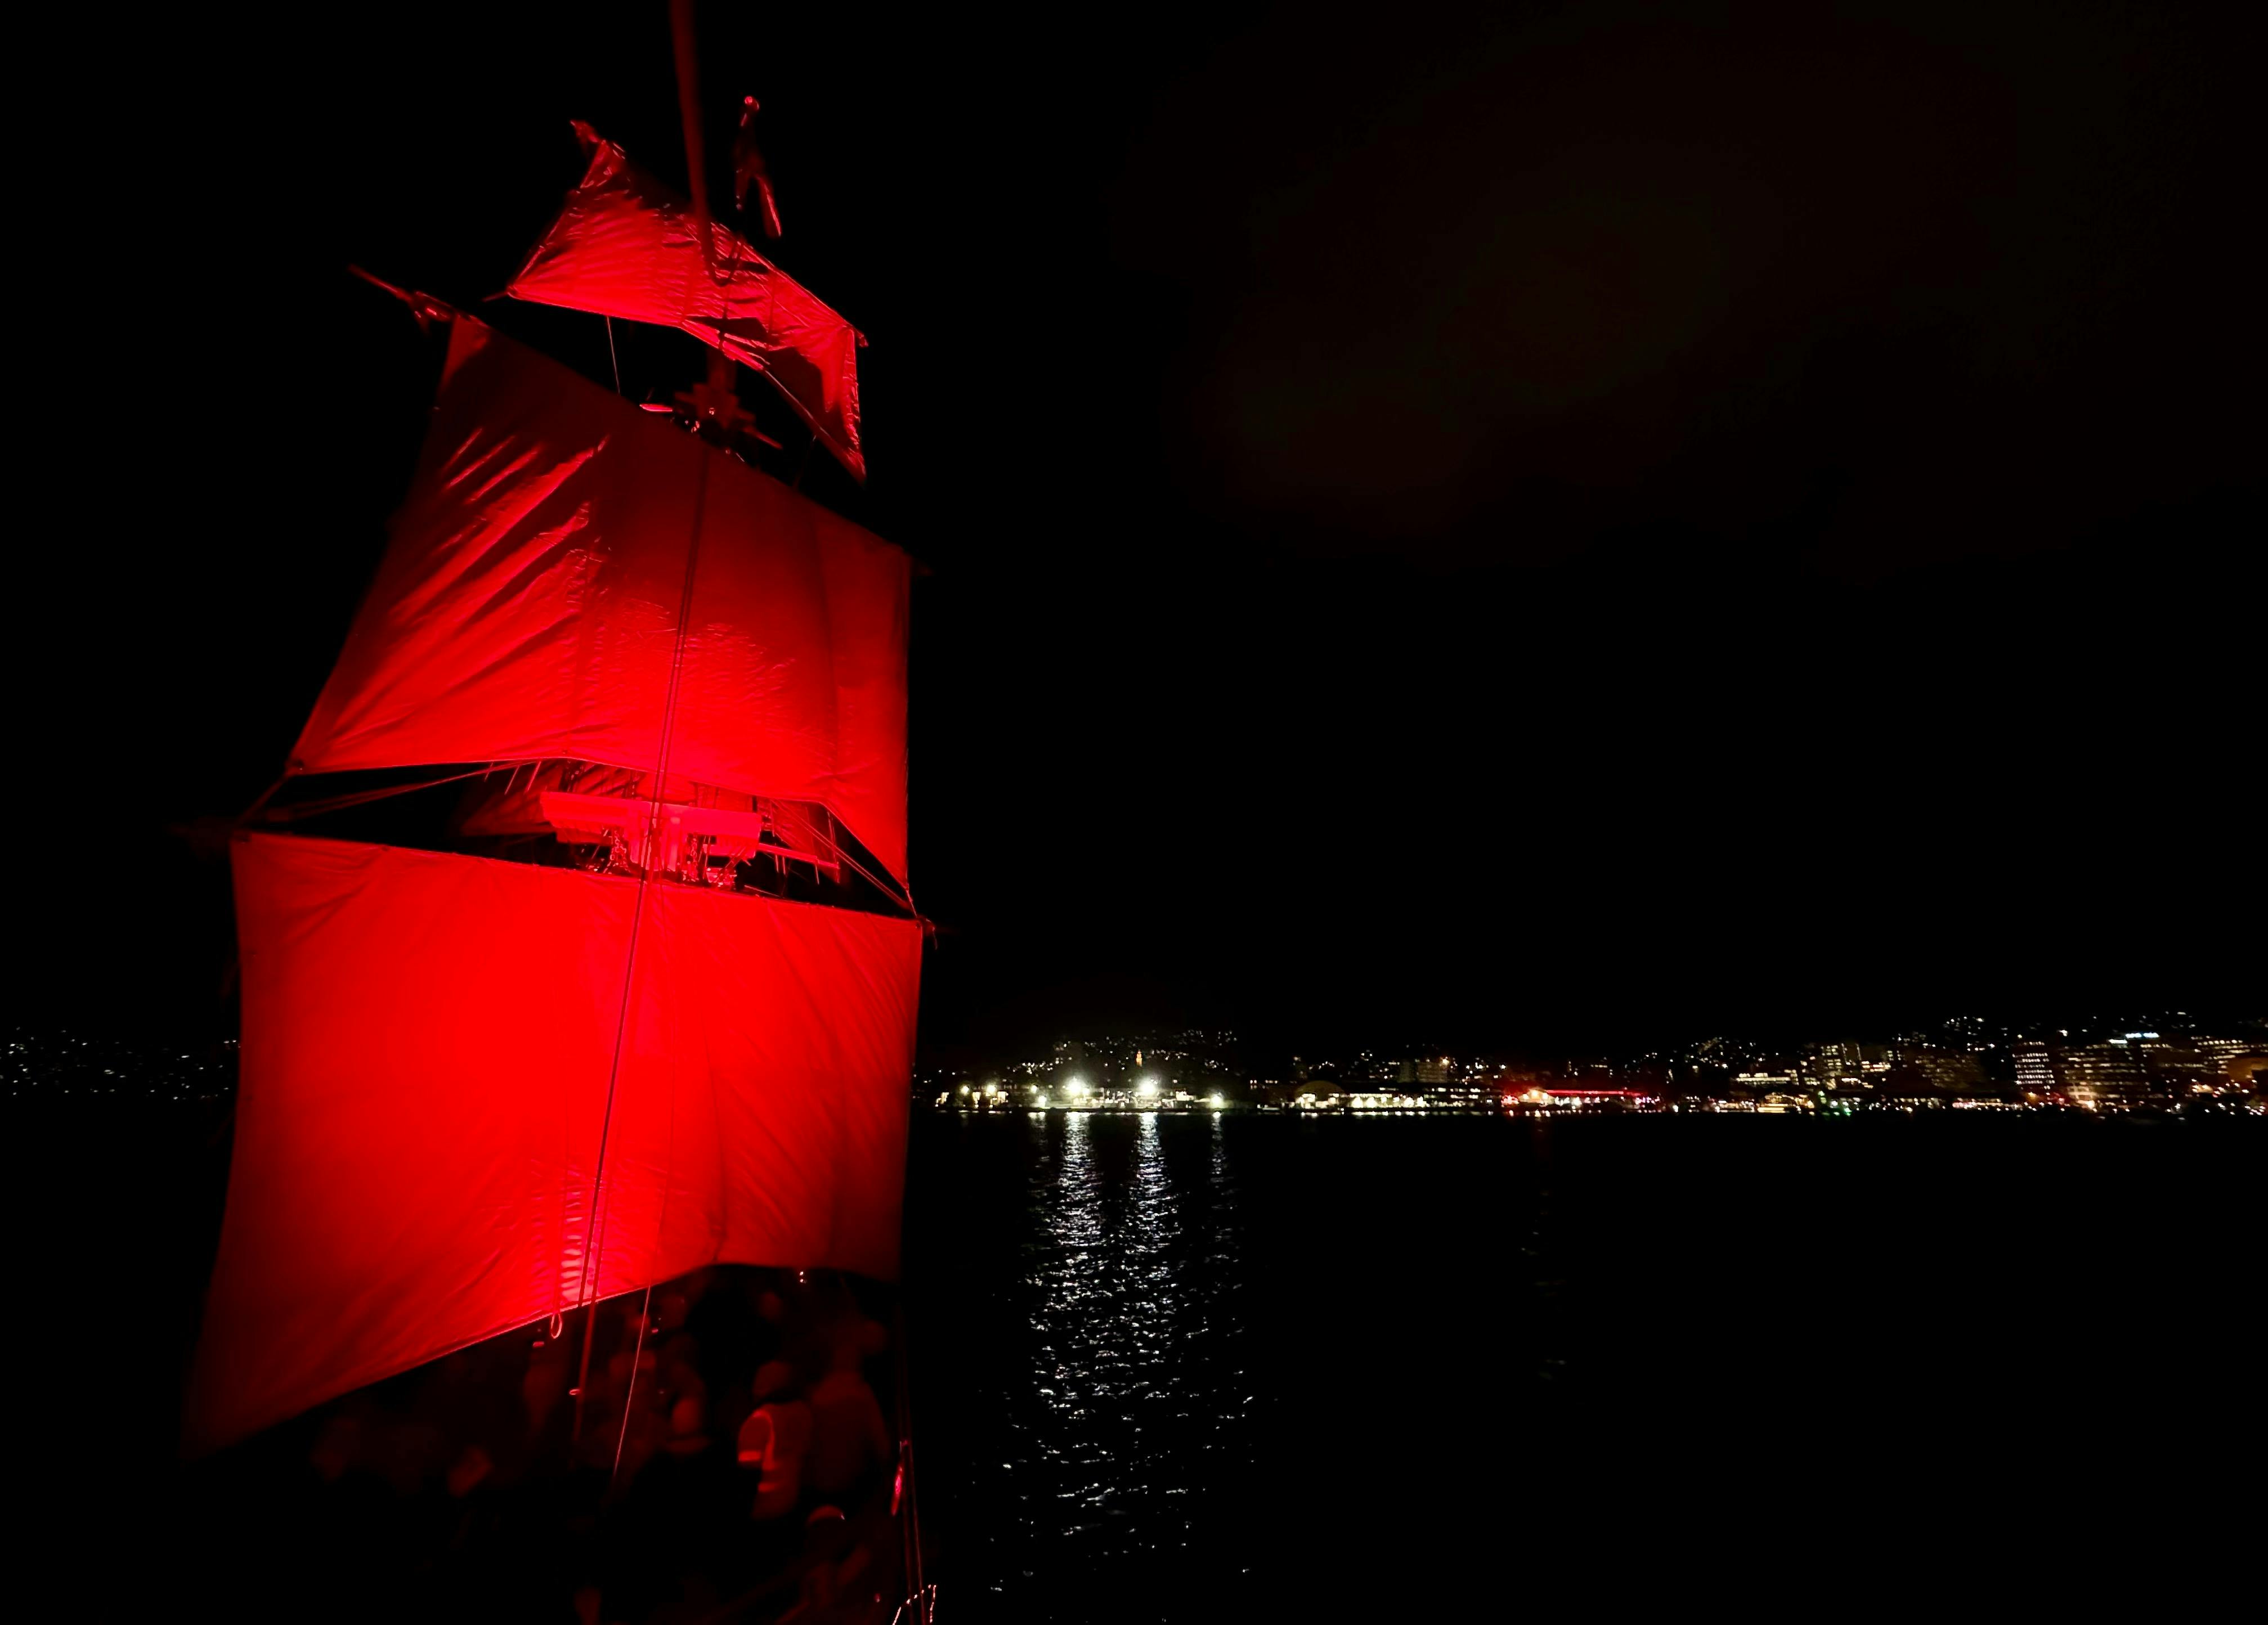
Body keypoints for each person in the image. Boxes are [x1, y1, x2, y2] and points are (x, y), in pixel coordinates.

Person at [804, 1335, 890, 1504]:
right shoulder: (862, 1394)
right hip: (852, 1489)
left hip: (818, 1489)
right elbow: (882, 1446)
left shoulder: (815, 1396)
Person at [738, 1359, 814, 1522]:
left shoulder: (761, 1419)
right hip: (794, 1502)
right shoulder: (804, 1411)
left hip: (764, 1510)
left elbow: (747, 1478)